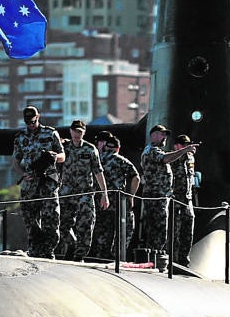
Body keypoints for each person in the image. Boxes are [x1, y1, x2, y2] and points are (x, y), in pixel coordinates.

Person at [12, 106, 66, 259]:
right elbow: (15, 161)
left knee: (51, 219)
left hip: (48, 182)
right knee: (30, 219)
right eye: (28, 122)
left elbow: (63, 155)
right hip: (30, 184)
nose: (31, 125)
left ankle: (49, 251)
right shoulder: (20, 137)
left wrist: (53, 156)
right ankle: (35, 249)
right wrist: (23, 174)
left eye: (33, 121)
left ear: (38, 117)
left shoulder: (50, 133)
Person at [139, 124, 200, 257]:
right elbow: (165, 159)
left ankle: (166, 257)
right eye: (162, 134)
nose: (165, 137)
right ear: (153, 135)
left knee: (161, 230)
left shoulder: (157, 151)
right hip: (156, 196)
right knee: (158, 230)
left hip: (168, 197)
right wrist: (184, 151)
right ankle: (157, 258)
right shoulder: (152, 150)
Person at [56, 119, 109, 261]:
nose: (76, 134)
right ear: (70, 131)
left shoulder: (90, 149)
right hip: (66, 192)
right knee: (61, 223)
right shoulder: (64, 148)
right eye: (74, 131)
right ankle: (71, 244)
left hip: (84, 193)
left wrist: (104, 194)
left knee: (86, 224)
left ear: (84, 133)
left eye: (79, 132)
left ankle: (80, 254)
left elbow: (98, 172)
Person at [91, 133, 141, 260]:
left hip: (99, 202)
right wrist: (131, 196)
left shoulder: (97, 159)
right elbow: (136, 177)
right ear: (117, 149)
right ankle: (116, 256)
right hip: (118, 203)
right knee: (125, 228)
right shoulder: (120, 160)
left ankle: (100, 255)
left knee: (101, 230)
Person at [168, 134, 199, 265]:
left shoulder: (190, 158)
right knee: (175, 230)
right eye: (183, 145)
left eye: (187, 145)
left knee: (188, 230)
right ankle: (173, 258)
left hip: (187, 199)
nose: (186, 147)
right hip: (176, 198)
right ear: (176, 146)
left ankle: (184, 258)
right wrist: (183, 152)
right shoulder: (172, 156)